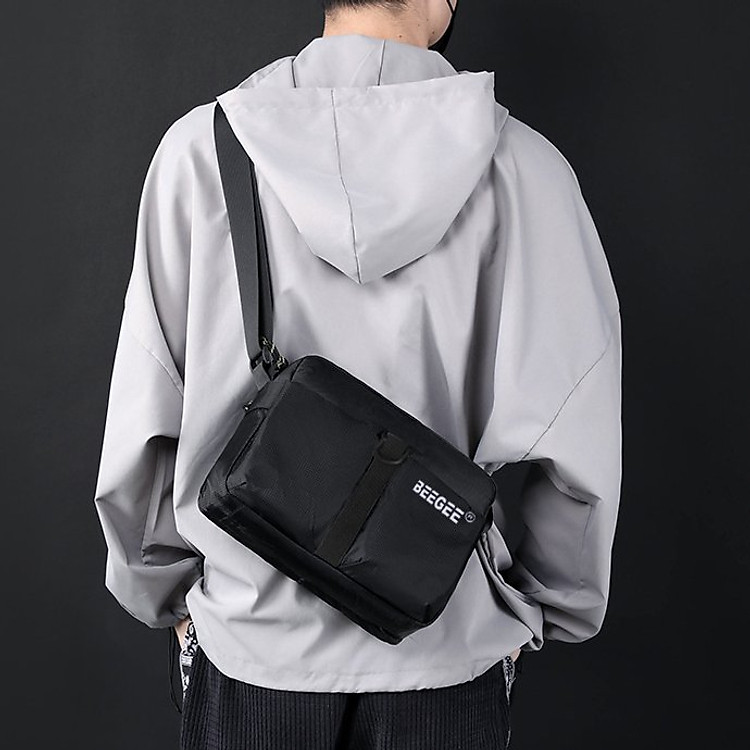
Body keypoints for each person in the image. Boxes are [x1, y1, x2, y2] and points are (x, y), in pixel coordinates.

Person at [92, 0, 622, 748]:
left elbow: (145, 423)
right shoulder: (529, 172)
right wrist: (531, 608)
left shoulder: (201, 153)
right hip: (445, 649)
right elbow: (575, 443)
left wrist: (173, 599)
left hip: (251, 651)